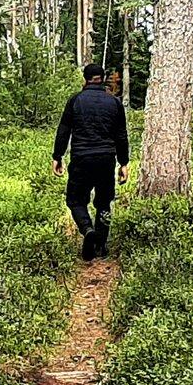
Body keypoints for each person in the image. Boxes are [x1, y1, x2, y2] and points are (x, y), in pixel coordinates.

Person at [52, 63, 129, 260]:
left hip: (81, 158)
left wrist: (57, 157)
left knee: (75, 200)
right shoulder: (114, 103)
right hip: (106, 159)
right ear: (102, 78)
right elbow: (121, 135)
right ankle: (101, 246)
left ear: (84, 79)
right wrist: (124, 163)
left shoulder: (75, 100)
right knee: (104, 202)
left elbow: (64, 130)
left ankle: (87, 229)